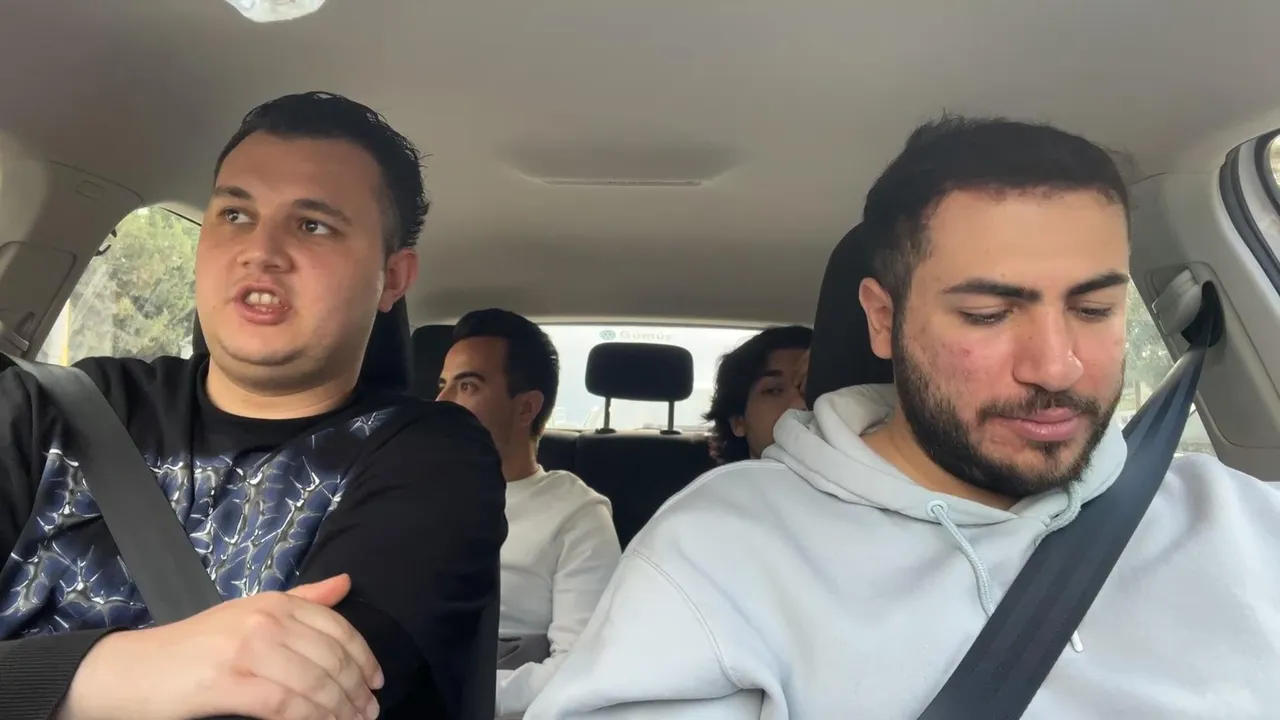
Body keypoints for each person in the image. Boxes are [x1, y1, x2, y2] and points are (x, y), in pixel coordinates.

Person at [524, 116, 1280, 718]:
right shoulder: (720, 555)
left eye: (1094, 308)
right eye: (988, 314)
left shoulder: (1243, 521)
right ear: (883, 320)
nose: (1056, 366)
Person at [0, 92, 507, 720]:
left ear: (394, 279)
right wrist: (124, 671)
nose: (261, 251)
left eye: (313, 225)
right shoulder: (49, 409)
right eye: (236, 214)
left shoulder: (431, 459)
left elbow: (310, 701)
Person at [437, 309, 621, 718]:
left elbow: (581, 666)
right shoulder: (409, 492)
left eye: (467, 386)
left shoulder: (577, 515)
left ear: (526, 408)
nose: (441, 403)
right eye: (442, 385)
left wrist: (458, 697)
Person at [704, 325, 812, 463]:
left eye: (810, 386)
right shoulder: (721, 478)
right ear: (738, 422)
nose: (800, 404)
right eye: (774, 390)